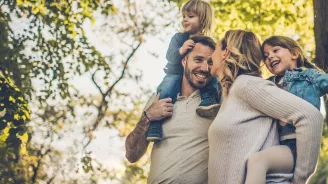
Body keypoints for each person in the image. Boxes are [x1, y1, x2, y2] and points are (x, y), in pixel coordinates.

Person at [208, 30, 323, 184]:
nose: (210, 56)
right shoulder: (233, 91)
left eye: (215, 48)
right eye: (267, 55)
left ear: (225, 52)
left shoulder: (246, 85)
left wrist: (300, 179)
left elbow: (311, 117)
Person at [125, 35, 216, 183]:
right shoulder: (159, 98)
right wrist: (147, 117)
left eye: (210, 62)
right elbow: (131, 154)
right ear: (184, 61)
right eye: (198, 60)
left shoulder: (216, 103)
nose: (205, 68)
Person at [244, 36, 327, 184]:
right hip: (276, 143)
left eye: (275, 50)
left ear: (294, 54)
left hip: (298, 145)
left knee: (258, 161)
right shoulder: (268, 84)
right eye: (265, 56)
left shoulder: (309, 77)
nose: (270, 56)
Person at [147, 0, 221, 142]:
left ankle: (208, 101)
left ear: (203, 19)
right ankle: (155, 126)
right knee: (166, 90)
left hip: (197, 77)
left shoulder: (208, 42)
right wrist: (181, 50)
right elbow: (170, 56)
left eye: (190, 16)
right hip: (175, 73)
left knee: (213, 79)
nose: (185, 20)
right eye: (184, 17)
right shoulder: (179, 38)